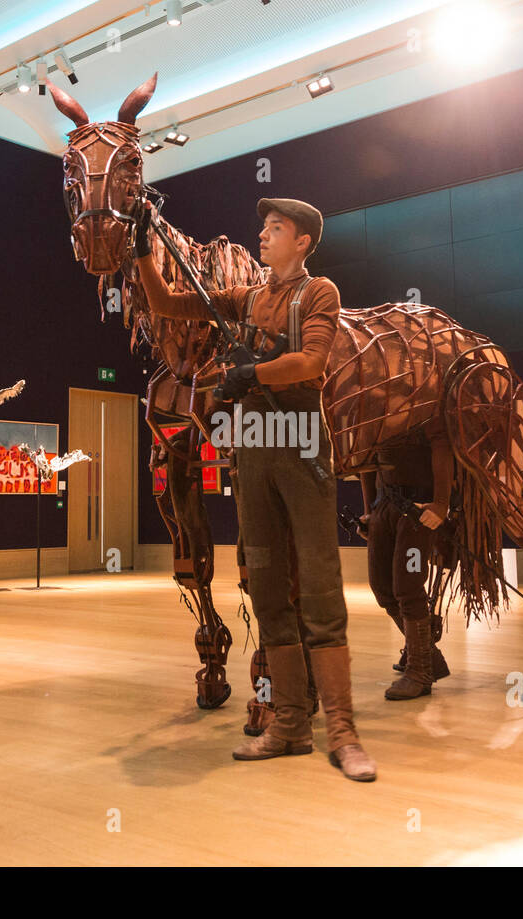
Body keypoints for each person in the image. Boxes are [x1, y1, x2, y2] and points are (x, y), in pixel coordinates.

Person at [132, 196, 376, 782]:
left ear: (302, 242)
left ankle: (341, 729)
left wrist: (252, 372)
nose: (262, 236)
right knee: (266, 585)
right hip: (255, 450)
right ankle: (289, 722)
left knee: (318, 585)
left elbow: (313, 362)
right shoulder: (245, 299)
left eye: (275, 229)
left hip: (302, 445)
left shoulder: (319, 294)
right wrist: (143, 250)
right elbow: (167, 302)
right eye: (262, 226)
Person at [359, 432, 453, 699]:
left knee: (408, 586)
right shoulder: (375, 408)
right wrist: (369, 509)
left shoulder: (424, 400)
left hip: (417, 509)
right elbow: (367, 457)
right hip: (384, 506)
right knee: (381, 587)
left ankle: (420, 671)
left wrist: (441, 505)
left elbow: (442, 444)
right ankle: (427, 658)